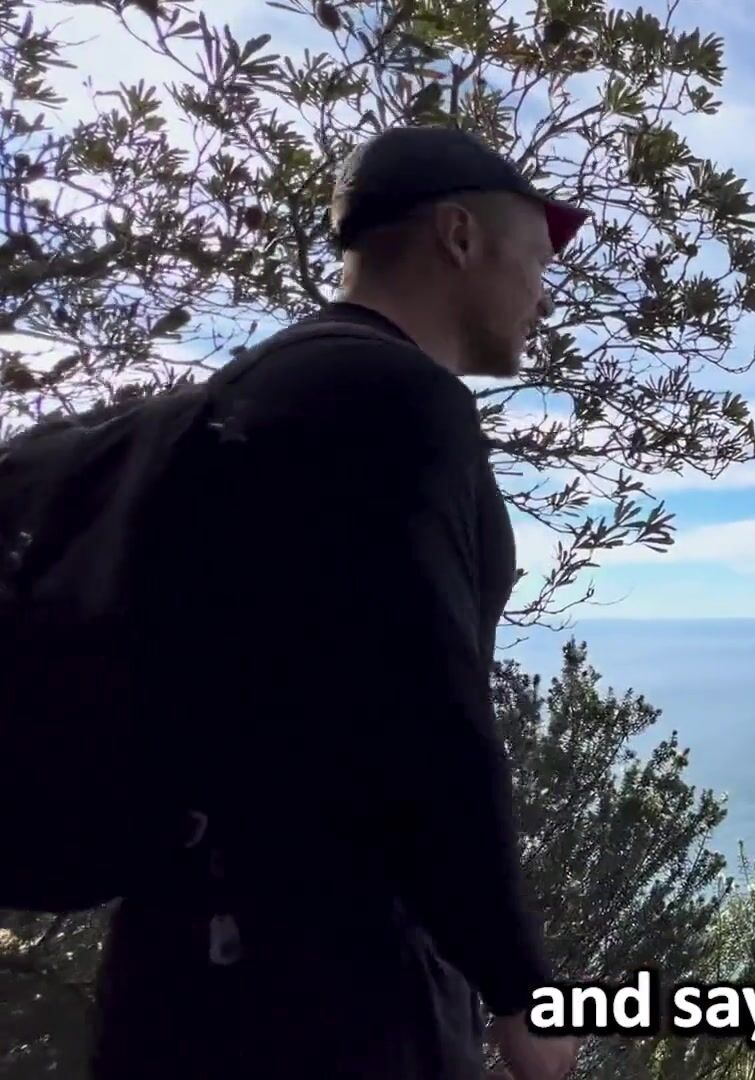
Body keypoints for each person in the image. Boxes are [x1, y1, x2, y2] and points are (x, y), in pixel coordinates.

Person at [87, 126, 588, 1080]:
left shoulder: (257, 390)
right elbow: (430, 716)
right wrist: (520, 985)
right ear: (458, 235)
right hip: (322, 983)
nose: (545, 294)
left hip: (177, 953)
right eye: (535, 259)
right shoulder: (395, 400)